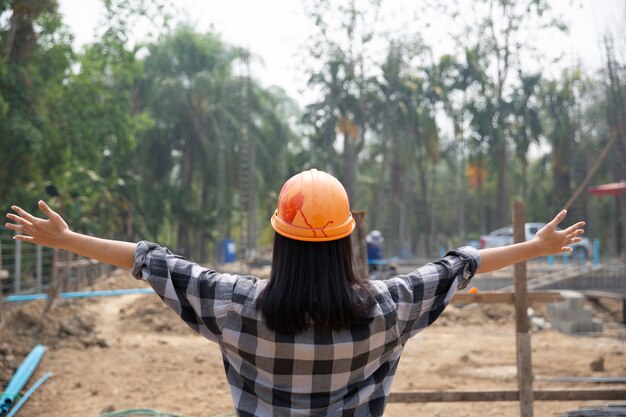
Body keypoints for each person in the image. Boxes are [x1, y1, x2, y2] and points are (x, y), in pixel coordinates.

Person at [5, 168, 585, 417]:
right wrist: (537, 248)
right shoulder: (389, 308)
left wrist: (68, 238)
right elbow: (463, 263)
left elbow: (146, 259)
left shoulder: (232, 305)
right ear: (348, 241)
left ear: (278, 239)